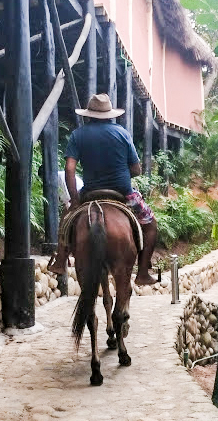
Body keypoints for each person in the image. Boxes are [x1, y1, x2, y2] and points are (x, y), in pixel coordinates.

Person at [49, 93, 158, 286]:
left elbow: (69, 169)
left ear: (89, 115)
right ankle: (142, 272)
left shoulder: (78, 135)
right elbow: (136, 169)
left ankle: (60, 260)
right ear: (109, 114)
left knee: (66, 219)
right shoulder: (123, 133)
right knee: (150, 225)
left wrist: (75, 200)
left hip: (90, 191)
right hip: (123, 191)